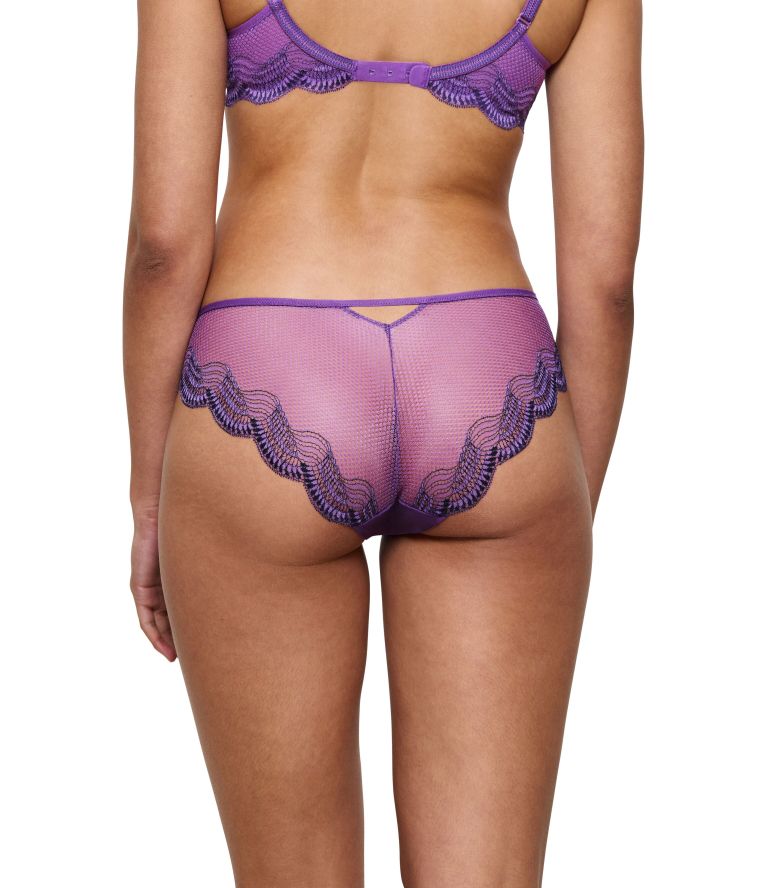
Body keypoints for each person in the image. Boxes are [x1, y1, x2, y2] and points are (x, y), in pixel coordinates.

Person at [123, 0, 642, 883]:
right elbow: (606, 285)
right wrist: (555, 509)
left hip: (271, 361)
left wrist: (150, 498)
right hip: (488, 375)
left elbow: (164, 247)